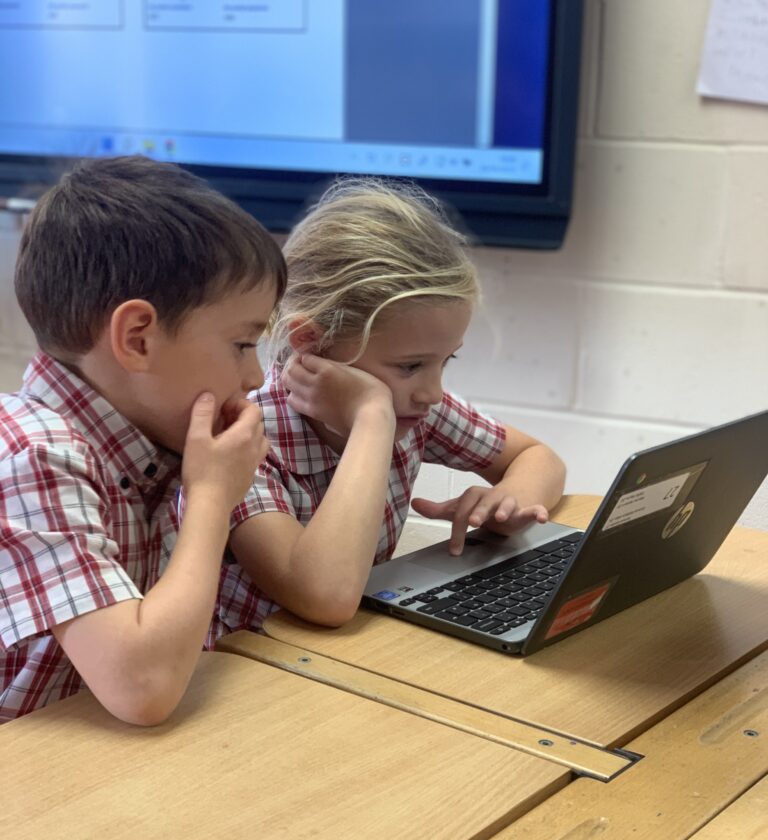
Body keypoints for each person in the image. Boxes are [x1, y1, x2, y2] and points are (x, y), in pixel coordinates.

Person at [210, 177, 565, 639]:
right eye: (411, 365)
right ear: (310, 341)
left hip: (356, 653)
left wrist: (508, 500)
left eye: (445, 361)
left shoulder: (412, 407)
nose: (433, 392)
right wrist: (372, 419)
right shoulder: (242, 443)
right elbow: (324, 596)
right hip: (260, 679)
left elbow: (539, 458)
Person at [0, 156, 285, 725]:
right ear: (137, 339)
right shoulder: (30, 453)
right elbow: (142, 688)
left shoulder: (163, 434)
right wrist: (210, 499)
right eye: (242, 344)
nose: (256, 378)